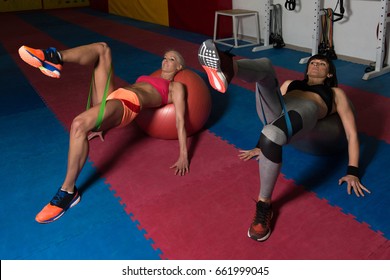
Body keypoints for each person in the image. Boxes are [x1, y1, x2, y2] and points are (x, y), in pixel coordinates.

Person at [198, 39, 371, 242]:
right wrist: (258, 146)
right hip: (283, 108)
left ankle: (264, 205)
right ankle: (229, 67)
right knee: (266, 67)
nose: (315, 65)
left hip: (308, 108)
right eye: (313, 63)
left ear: (330, 73)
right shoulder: (291, 84)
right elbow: (274, 115)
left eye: (321, 64)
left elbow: (351, 133)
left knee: (272, 136)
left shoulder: (335, 93)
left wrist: (353, 172)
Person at [19, 42, 190, 223]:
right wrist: (104, 126)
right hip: (114, 97)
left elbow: (180, 119)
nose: (165, 61)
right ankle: (53, 58)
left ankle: (68, 192)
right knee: (102, 49)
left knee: (78, 124)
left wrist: (184, 154)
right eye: (165, 57)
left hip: (126, 106)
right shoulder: (149, 77)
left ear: (179, 67)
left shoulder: (176, 88)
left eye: (172, 59)